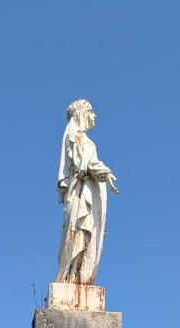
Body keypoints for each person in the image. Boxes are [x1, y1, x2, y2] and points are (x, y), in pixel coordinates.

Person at [56, 99, 119, 285]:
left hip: (88, 192)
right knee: (78, 235)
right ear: (82, 113)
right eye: (91, 111)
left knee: (84, 237)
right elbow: (84, 163)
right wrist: (105, 172)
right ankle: (73, 278)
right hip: (82, 193)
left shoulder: (79, 136)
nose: (95, 115)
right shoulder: (76, 134)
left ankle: (78, 277)